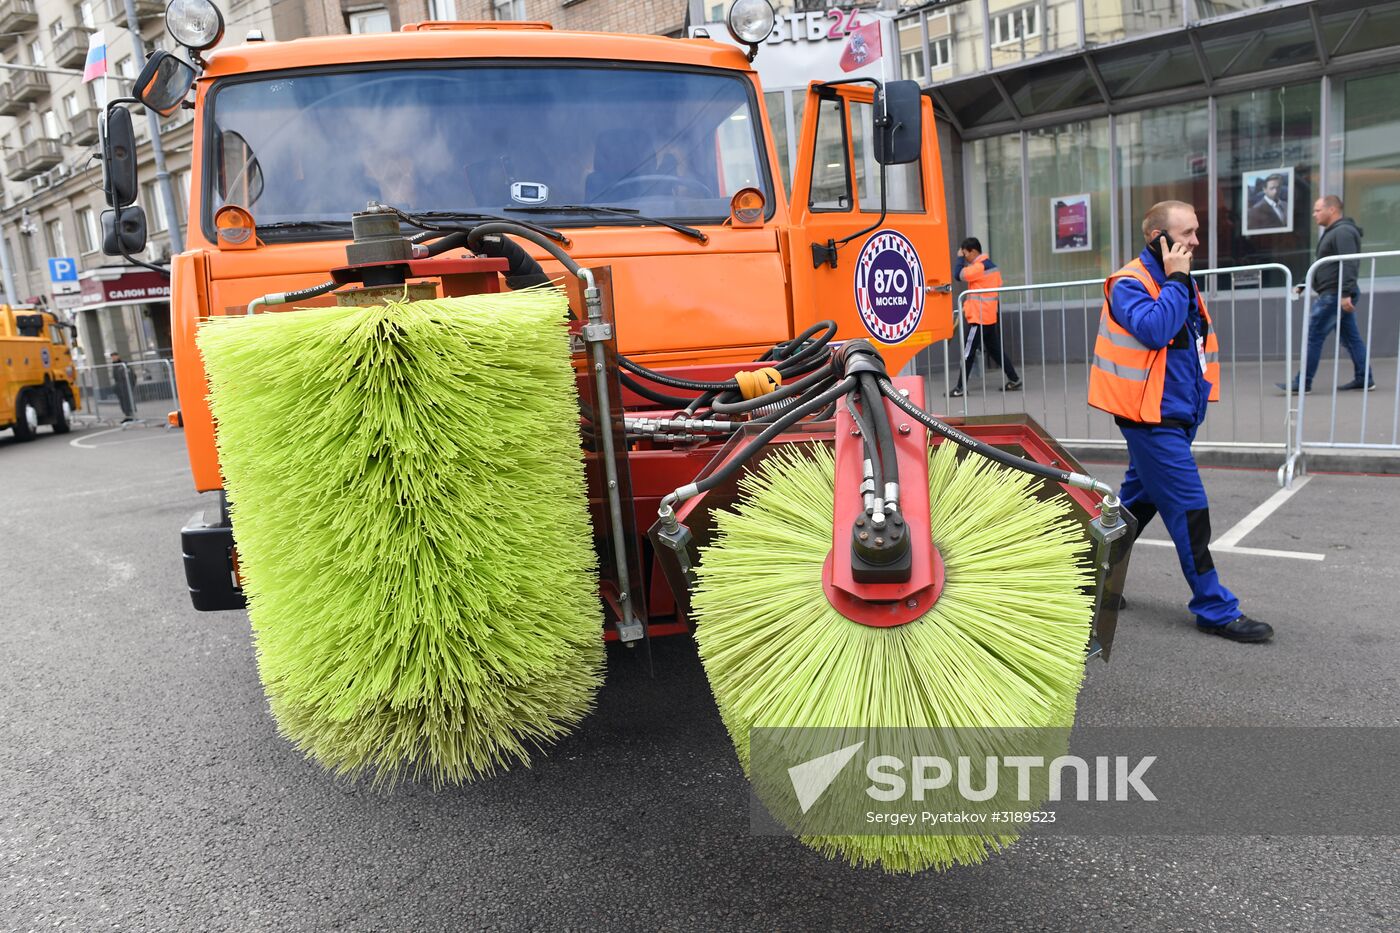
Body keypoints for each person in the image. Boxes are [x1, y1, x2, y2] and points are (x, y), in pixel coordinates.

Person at [1088, 200, 1273, 643]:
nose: (1195, 241)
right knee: (1190, 511)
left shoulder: (1177, 279)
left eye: (1194, 232)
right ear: (1160, 239)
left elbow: (1188, 343)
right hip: (1150, 422)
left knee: (1133, 508)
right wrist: (1175, 279)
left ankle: (1086, 581)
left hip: (1174, 417)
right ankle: (1213, 607)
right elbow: (1155, 330)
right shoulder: (1131, 283)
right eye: (1187, 233)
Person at [1277, 196, 1373, 393]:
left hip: (1334, 294)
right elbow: (1322, 264)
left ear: (1332, 210)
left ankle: (1303, 383)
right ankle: (1364, 378)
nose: (1314, 214)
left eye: (1317, 210)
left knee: (1313, 336)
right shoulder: (1335, 232)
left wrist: (1345, 293)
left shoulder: (1343, 232)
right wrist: (1303, 285)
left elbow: (1349, 263)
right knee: (1351, 338)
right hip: (1336, 293)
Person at [950, 237, 1021, 398]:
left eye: (966, 253)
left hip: (978, 318)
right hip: (989, 316)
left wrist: (959, 258)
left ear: (974, 251)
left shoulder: (979, 267)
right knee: (996, 351)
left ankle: (960, 388)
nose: (965, 257)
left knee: (968, 352)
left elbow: (958, 275)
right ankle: (1014, 379)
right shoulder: (992, 267)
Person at [109, 351, 137, 423]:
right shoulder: (114, 365)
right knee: (123, 402)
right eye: (112, 357)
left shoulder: (123, 364)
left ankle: (131, 415)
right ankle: (127, 416)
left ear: (118, 356)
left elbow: (132, 375)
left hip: (126, 385)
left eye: (114, 356)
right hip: (120, 386)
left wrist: (132, 384)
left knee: (128, 401)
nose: (113, 358)